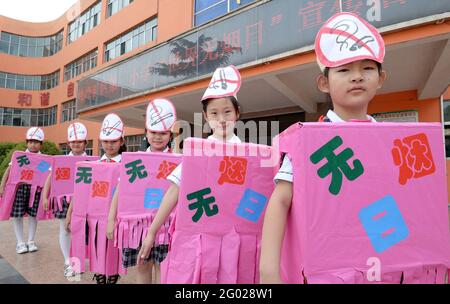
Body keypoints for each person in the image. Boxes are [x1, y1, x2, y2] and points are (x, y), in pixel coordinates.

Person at [259, 12, 387, 283]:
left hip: (378, 262)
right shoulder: (309, 140)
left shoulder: (388, 139)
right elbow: (281, 199)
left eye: (367, 68)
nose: (356, 77)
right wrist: (268, 270)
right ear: (324, 83)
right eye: (344, 70)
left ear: (381, 78)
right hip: (324, 268)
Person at [137, 66, 243, 281]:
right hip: (202, 238)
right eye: (214, 113)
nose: (221, 119)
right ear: (205, 116)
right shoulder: (198, 152)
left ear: (237, 113)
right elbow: (173, 193)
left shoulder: (248, 154)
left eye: (227, 112)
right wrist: (151, 233)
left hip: (235, 239)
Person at [106, 98, 177, 284]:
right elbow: (121, 188)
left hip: (167, 224)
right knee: (142, 265)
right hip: (138, 224)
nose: (158, 137)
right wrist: (111, 219)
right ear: (146, 132)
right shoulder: (135, 160)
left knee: (165, 266)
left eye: (163, 133)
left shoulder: (178, 160)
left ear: (171, 134)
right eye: (153, 132)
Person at [42, 122, 88, 278]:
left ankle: (78, 260)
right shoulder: (60, 160)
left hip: (83, 200)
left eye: (79, 141)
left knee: (80, 230)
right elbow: (50, 176)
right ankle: (68, 261)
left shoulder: (90, 161)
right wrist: (45, 196)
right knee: (65, 229)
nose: (76, 144)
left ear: (85, 143)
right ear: (69, 143)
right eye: (73, 142)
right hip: (63, 199)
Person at [0, 127, 46, 254]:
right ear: (26, 143)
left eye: (36, 142)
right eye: (30, 141)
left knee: (33, 215)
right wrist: (2, 186)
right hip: (20, 188)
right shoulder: (20, 156)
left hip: (35, 190)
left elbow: (46, 176)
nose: (33, 144)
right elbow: (9, 171)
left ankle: (31, 241)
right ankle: (20, 242)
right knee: (17, 215)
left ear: (41, 144)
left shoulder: (43, 159)